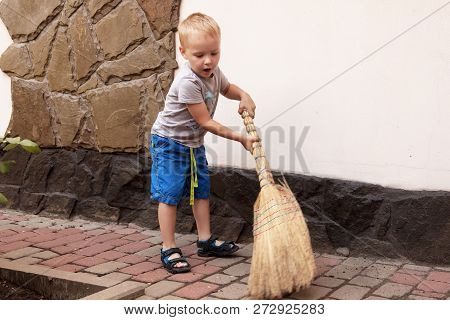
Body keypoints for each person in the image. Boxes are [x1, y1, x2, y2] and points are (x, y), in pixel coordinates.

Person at [150, 12, 258, 273]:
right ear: (183, 52)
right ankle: (168, 246)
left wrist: (244, 95)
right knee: (170, 194)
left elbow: (227, 87)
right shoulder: (187, 81)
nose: (208, 61)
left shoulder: (214, 72)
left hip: (192, 144)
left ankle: (205, 240)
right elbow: (206, 122)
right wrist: (241, 139)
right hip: (169, 143)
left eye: (214, 53)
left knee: (201, 190)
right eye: (199, 55)